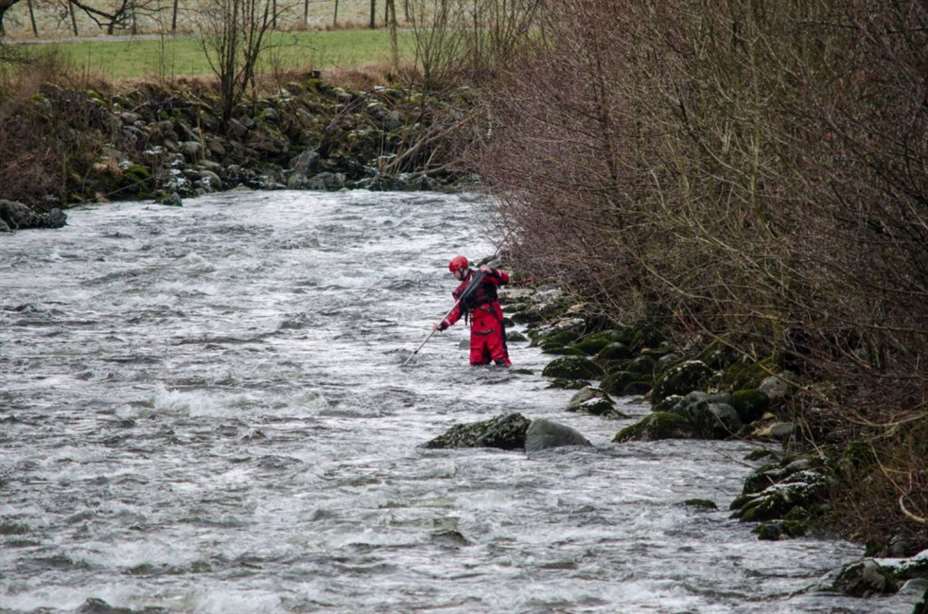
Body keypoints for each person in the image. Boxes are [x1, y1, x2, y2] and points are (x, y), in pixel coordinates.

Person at [433, 255, 512, 367]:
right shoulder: (460, 291)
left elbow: (505, 279)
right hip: (477, 325)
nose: (454, 275)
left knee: (500, 358)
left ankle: (506, 381)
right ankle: (480, 384)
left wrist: (492, 271)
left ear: (461, 269)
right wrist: (443, 324)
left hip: (492, 320)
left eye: (454, 272)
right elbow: (457, 311)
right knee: (476, 362)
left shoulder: (482, 275)